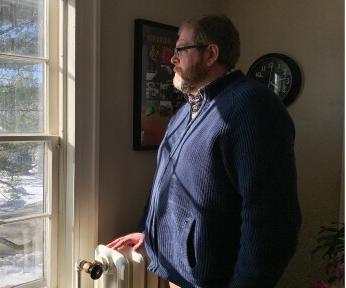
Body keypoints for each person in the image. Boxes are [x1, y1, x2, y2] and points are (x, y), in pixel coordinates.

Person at [107, 14, 300, 287]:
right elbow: (169, 183)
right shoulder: (187, 109)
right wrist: (149, 234)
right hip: (174, 273)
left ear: (211, 54)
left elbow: (272, 220)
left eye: (180, 50)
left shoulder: (253, 108)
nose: (172, 59)